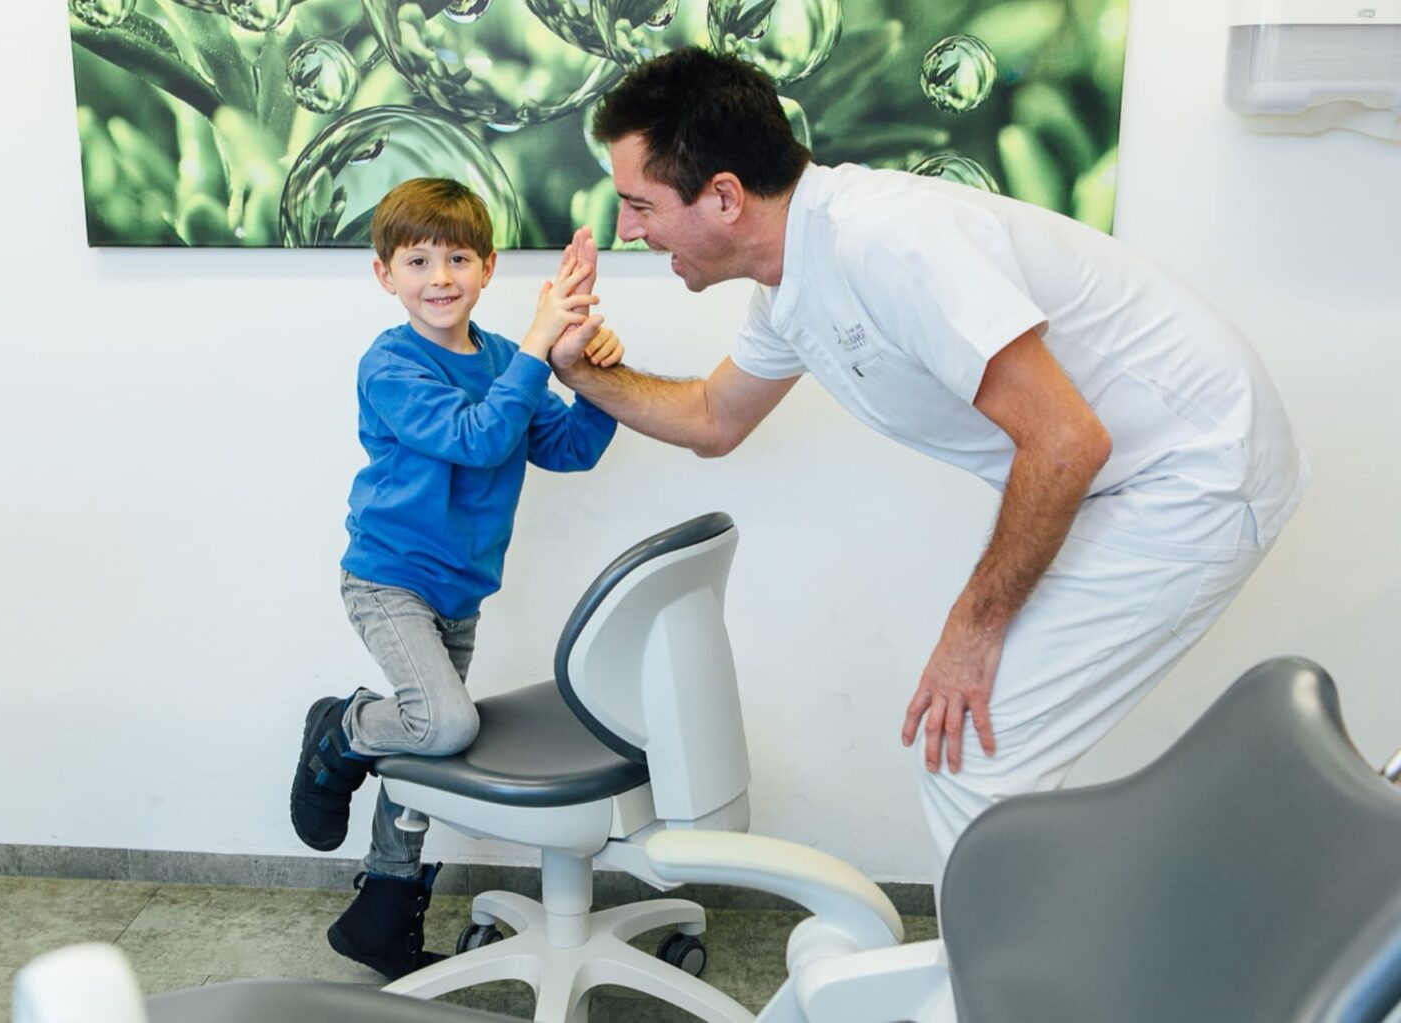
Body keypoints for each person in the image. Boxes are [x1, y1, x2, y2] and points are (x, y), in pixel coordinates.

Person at [547, 49, 1309, 885]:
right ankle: (1007, 979)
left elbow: (1064, 441)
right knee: (980, 759)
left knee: (974, 756)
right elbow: (711, 418)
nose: (628, 228)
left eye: (639, 204)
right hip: (1118, 477)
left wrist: (972, 630)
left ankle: (1007, 993)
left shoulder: (888, 241)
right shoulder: (793, 281)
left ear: (724, 197)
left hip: (1193, 471)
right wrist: (583, 373)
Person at [288, 177, 623, 977]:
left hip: (459, 590)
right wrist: (541, 350)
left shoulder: (508, 360)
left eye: (458, 257)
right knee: (441, 725)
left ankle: (385, 907)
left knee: (429, 760)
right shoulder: (391, 363)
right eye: (417, 259)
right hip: (389, 578)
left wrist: (591, 370)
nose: (440, 276)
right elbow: (474, 437)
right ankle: (343, 726)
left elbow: (570, 446)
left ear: (488, 267)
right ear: (385, 275)